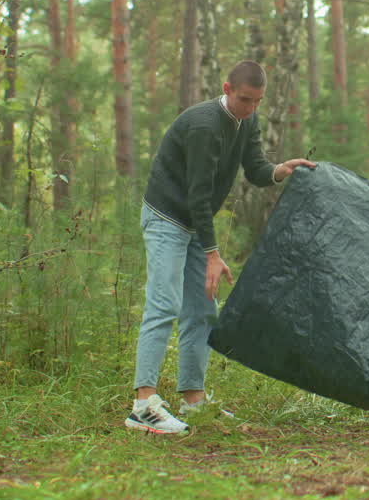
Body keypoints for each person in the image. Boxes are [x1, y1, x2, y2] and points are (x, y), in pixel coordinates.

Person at [126, 60, 316, 434]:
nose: (251, 108)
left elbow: (256, 169)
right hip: (167, 217)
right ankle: (142, 406)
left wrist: (280, 170)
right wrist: (213, 253)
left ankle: (193, 400)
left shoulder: (248, 121)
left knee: (203, 310)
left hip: (195, 223)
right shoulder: (204, 126)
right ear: (227, 88)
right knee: (164, 303)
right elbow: (198, 194)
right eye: (245, 99)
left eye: (258, 101)